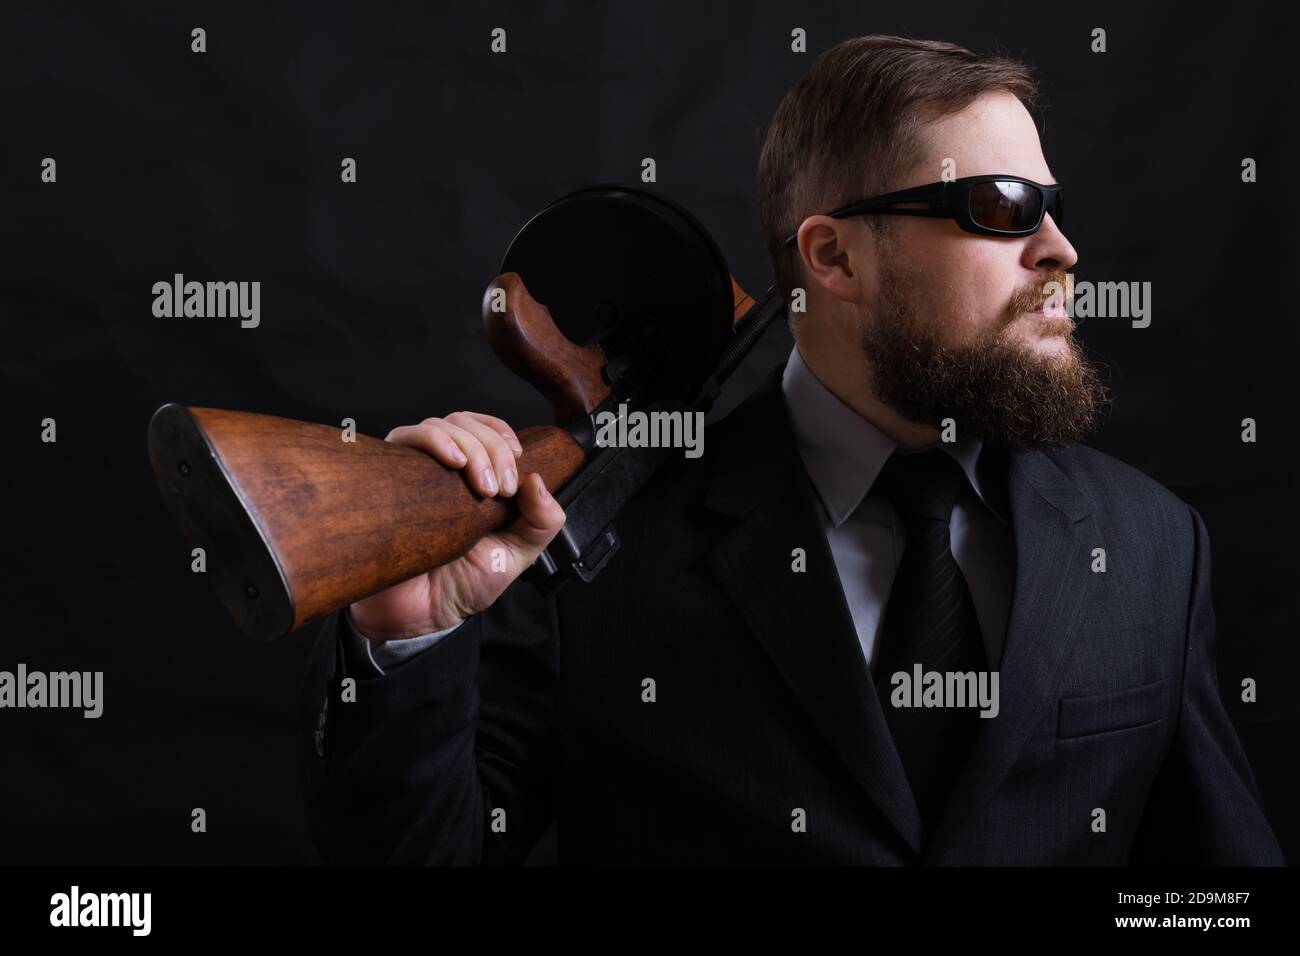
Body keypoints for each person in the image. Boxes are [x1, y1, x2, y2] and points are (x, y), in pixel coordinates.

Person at [299, 35, 1284, 865]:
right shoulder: (587, 546)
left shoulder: (1151, 544)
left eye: (1053, 205)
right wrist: (410, 634)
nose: (1059, 248)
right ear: (833, 256)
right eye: (1001, 208)